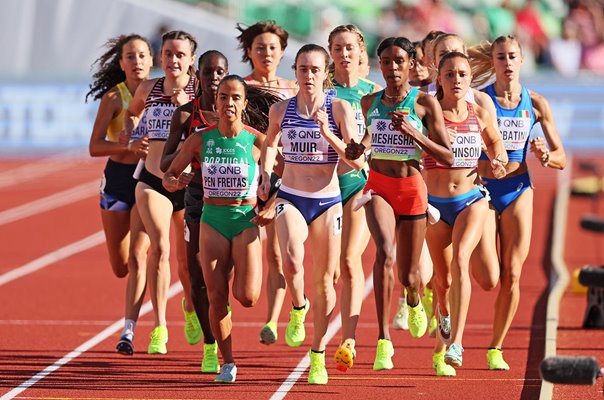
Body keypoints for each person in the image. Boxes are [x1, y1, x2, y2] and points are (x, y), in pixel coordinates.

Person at [345, 36, 453, 371]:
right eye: (387, 61)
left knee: (409, 274)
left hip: (411, 189)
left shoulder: (424, 103)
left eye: (399, 61)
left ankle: (413, 297)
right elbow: (369, 138)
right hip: (378, 186)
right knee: (384, 254)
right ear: (380, 65)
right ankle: (382, 341)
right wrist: (358, 149)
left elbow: (447, 155)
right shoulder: (369, 102)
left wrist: (415, 135)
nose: (392, 68)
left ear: (410, 64)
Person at [259, 44, 364, 384]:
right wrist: (264, 173)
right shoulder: (280, 110)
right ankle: (298, 305)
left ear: (325, 73)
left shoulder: (339, 108)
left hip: (328, 200)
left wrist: (327, 133)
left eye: (315, 70)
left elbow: (356, 161)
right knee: (290, 258)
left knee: (325, 279)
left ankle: (317, 353)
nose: (308, 76)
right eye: (302, 69)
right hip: (290, 194)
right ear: (296, 71)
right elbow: (270, 143)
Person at [468, 35, 566, 370]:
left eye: (512, 56)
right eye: (500, 57)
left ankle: (495, 347)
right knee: (488, 278)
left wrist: (545, 156)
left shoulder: (536, 103)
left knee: (513, 273)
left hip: (519, 187)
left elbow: (561, 158)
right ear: (493, 62)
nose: (507, 62)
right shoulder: (480, 100)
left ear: (522, 60)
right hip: (482, 188)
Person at [163, 75, 265, 383]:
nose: (229, 103)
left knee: (247, 297)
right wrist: (173, 181)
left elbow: (285, 175)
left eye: (235, 98)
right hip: (212, 219)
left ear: (245, 104)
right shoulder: (199, 139)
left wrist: (272, 204)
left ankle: (236, 282)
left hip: (245, 219)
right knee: (216, 295)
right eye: (223, 97)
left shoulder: (257, 140)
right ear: (216, 102)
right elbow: (169, 174)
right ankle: (228, 362)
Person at [424, 51, 507, 375]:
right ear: (440, 79)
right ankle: (443, 317)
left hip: (471, 199)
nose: (456, 80)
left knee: (461, 260)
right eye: (449, 74)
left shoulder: (479, 113)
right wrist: (437, 140)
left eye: (461, 74)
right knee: (441, 281)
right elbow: (412, 151)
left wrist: (497, 160)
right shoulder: (428, 114)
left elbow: (495, 143)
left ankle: (456, 342)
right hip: (435, 203)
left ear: (470, 79)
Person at [122, 30, 199, 354]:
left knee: (187, 263)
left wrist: (189, 109)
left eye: (180, 55)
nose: (173, 60)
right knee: (160, 247)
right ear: (161, 56)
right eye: (168, 54)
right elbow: (130, 113)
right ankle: (160, 327)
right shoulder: (148, 88)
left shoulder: (200, 92)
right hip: (152, 181)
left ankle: (191, 308)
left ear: (191, 59)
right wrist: (132, 138)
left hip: (187, 184)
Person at [160, 50, 229, 372]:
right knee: (198, 276)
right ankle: (210, 345)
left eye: (219, 72)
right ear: (197, 75)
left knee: (235, 286)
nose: (213, 79)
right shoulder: (186, 116)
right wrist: (180, 173)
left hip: (234, 202)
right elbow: (165, 164)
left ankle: (220, 314)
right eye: (208, 72)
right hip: (197, 199)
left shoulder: (241, 114)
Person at [86, 34, 153, 356]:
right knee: (120, 265)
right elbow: (94, 146)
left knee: (141, 255)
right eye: (130, 56)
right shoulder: (114, 98)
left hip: (145, 179)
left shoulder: (161, 92)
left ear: (151, 60)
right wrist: (125, 145)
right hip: (116, 181)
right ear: (121, 62)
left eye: (142, 55)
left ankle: (128, 330)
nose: (137, 61)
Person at [326, 24, 382, 372]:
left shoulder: (374, 94)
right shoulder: (321, 91)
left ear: (361, 52)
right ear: (330, 53)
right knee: (328, 270)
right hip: (323, 189)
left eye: (350, 48)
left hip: (360, 184)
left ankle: (348, 338)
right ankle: (305, 312)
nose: (344, 54)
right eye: (337, 48)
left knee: (349, 261)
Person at [236, 20, 295, 345]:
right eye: (260, 47)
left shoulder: (293, 88)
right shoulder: (238, 88)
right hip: (243, 176)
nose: (267, 53)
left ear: (282, 51)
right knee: (239, 249)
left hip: (281, 174)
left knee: (275, 252)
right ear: (249, 52)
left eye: (273, 47)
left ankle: (272, 320)